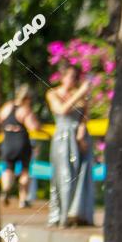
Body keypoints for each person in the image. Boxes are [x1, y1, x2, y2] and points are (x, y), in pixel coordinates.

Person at [46, 62, 95, 227]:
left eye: (75, 77)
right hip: (62, 138)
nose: (72, 80)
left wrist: (82, 133)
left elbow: (84, 117)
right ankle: (60, 216)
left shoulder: (80, 95)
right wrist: (81, 92)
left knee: (80, 175)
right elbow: (61, 110)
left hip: (79, 139)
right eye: (70, 76)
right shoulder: (53, 93)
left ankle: (77, 214)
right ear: (63, 77)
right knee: (63, 176)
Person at [0, 84, 41, 208]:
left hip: (7, 141)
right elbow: (34, 127)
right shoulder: (25, 110)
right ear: (28, 97)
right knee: (25, 171)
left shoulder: (6, 107)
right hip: (21, 141)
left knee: (8, 168)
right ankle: (23, 200)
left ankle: (5, 190)